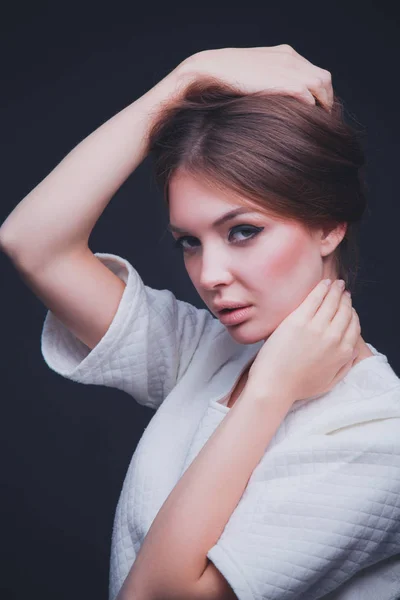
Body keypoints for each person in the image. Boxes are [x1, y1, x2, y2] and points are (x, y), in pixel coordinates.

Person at [1, 45, 400, 600]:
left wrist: (271, 392)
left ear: (329, 226)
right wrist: (184, 79)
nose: (210, 274)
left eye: (242, 231)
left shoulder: (379, 433)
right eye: (190, 242)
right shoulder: (207, 353)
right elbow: (32, 243)